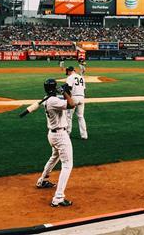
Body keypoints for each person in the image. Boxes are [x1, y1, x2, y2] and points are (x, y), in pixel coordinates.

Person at [36, 78, 77, 207]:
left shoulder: (48, 99)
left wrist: (64, 91)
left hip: (52, 135)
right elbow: (71, 104)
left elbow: (63, 100)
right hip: (60, 136)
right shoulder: (53, 101)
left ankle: (42, 180)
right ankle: (58, 198)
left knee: (54, 157)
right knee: (67, 165)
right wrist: (65, 92)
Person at [65, 66, 88, 140]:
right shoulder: (81, 77)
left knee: (69, 116)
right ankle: (84, 135)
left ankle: (67, 134)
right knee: (81, 117)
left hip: (74, 97)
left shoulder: (70, 77)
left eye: (67, 71)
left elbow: (68, 89)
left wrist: (68, 99)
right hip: (82, 97)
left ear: (69, 71)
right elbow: (84, 89)